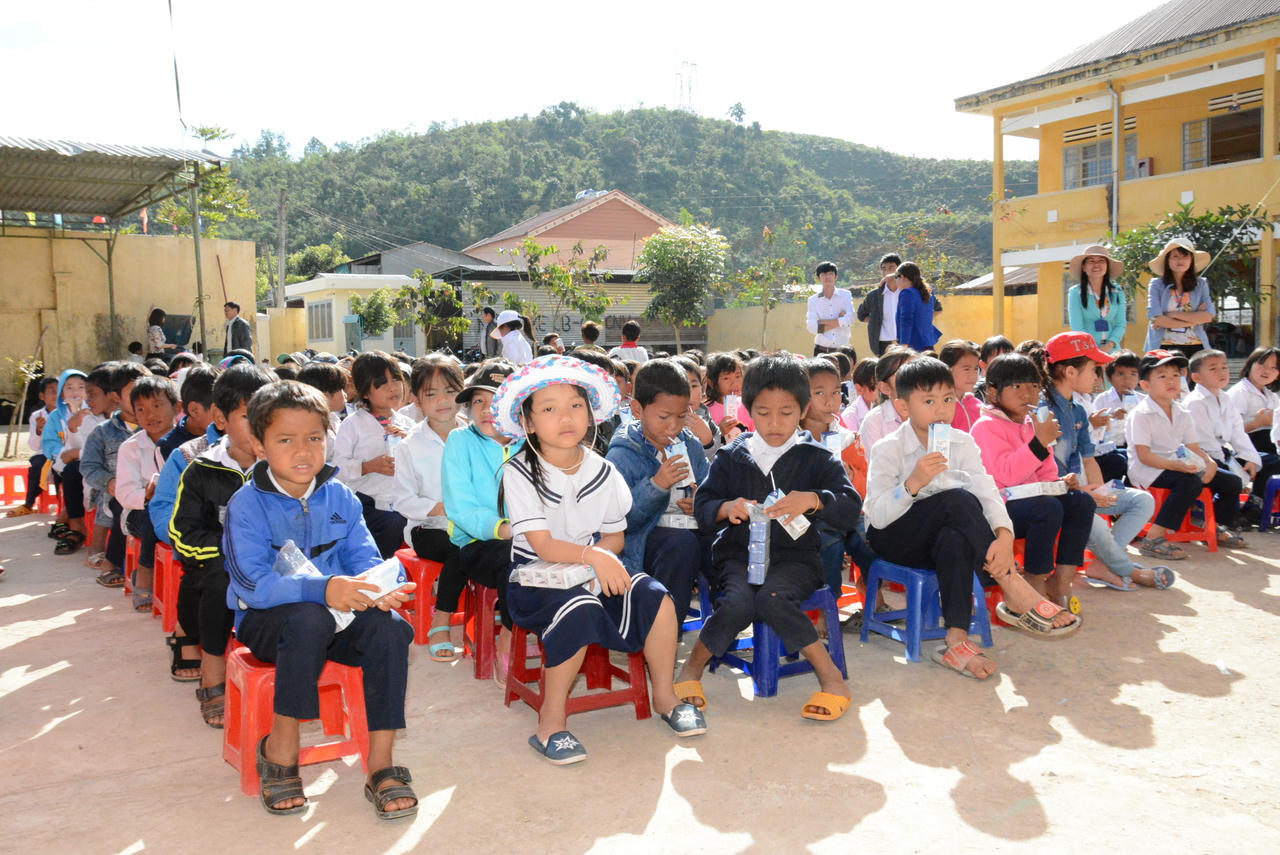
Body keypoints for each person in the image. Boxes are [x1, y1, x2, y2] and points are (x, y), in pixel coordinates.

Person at [496, 354, 706, 763]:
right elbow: (541, 546)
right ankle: (551, 723)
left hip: (593, 567)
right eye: (550, 409)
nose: (566, 417)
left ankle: (664, 697)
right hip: (535, 581)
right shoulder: (518, 471)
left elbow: (615, 535)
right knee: (577, 608)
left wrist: (599, 559)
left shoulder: (602, 469)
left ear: (591, 413)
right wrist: (596, 557)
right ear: (528, 421)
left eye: (576, 405)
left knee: (657, 599)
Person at [224, 380, 417, 818]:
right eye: (286, 440)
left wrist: (381, 586)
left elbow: (367, 557)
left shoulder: (340, 496)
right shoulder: (246, 504)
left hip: (339, 614)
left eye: (315, 438)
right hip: (268, 622)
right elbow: (252, 584)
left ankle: (381, 765)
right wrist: (324, 589)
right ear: (259, 444)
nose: (304, 451)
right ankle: (281, 749)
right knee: (309, 618)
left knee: (389, 629)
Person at [864, 357, 1081, 679]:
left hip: (938, 539)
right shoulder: (888, 448)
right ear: (903, 407)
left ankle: (956, 640)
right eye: (928, 401)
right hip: (894, 538)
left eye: (948, 399)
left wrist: (1005, 536)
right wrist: (913, 483)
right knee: (955, 499)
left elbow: (986, 491)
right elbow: (877, 518)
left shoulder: (961, 442)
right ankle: (1013, 586)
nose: (940, 409)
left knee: (955, 534)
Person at [671, 354, 857, 719]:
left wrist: (815, 500)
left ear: (803, 409)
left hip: (797, 559)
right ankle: (691, 669)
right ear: (747, 410)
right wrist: (727, 508)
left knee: (773, 598)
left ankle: (832, 678)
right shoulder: (732, 456)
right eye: (763, 412)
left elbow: (850, 506)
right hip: (739, 556)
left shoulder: (817, 458)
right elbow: (704, 503)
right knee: (739, 601)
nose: (775, 423)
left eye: (786, 412)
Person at [170, 364, 273, 724]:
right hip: (214, 576)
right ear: (220, 417)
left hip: (272, 573)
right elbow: (184, 535)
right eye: (249, 416)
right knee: (220, 575)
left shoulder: (284, 466)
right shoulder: (201, 470)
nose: (262, 426)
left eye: (268, 416)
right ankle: (212, 667)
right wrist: (235, 550)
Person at [1030, 339, 1165, 592]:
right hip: (1056, 494)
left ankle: (1103, 564)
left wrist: (1100, 492)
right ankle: (1128, 569)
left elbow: (1089, 457)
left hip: (1080, 491)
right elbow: (1044, 471)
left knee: (1142, 501)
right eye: (1094, 369)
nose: (1097, 377)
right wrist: (1085, 494)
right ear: (1070, 372)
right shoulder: (1042, 410)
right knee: (1094, 520)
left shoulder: (1078, 410)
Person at [970, 353, 1097, 607]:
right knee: (1047, 508)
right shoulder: (986, 426)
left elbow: (1045, 473)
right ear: (994, 393)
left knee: (1081, 501)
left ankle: (1061, 580)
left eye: (1034, 386)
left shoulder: (1032, 423)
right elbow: (1006, 475)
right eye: (1017, 386)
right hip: (999, 509)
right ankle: (1034, 581)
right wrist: (1039, 442)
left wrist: (1062, 482)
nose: (1028, 394)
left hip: (1030, 501)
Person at [606, 359, 712, 624]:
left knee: (727, 544)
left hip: (689, 530)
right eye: (664, 417)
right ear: (638, 409)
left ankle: (723, 623)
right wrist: (657, 485)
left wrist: (702, 502)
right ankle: (661, 634)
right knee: (680, 545)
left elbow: (712, 489)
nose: (674, 426)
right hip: (641, 542)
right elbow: (618, 523)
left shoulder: (691, 444)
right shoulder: (623, 453)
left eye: (681, 416)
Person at [438, 360, 522, 681]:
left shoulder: (529, 442)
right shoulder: (461, 441)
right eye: (479, 402)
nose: (487, 410)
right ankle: (509, 638)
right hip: (476, 543)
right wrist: (501, 528)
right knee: (513, 557)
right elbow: (460, 506)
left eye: (497, 401)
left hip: (530, 537)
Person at [1126, 350, 1246, 557]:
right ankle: (1154, 537)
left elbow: (1194, 448)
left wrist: (1209, 463)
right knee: (1189, 482)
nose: (1171, 381)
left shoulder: (1182, 412)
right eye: (1162, 376)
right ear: (1145, 385)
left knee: (1232, 482)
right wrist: (1177, 466)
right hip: (1148, 469)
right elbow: (1144, 456)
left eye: (1175, 375)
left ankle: (1215, 526)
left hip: (1177, 464)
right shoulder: (1140, 414)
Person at [390, 356, 465, 662]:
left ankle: (505, 621)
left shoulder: (476, 436)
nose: (442, 400)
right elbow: (403, 501)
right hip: (428, 528)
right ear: (417, 400)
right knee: (462, 549)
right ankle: (441, 622)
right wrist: (440, 508)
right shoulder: (410, 445)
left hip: (475, 524)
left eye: (449, 390)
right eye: (431, 394)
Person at [800, 358, 877, 600]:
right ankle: (827, 604)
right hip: (809, 516)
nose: (830, 400)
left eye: (835, 392)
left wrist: (851, 476)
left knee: (871, 537)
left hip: (846, 512)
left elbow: (865, 484)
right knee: (829, 540)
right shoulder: (792, 440)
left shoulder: (845, 438)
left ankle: (871, 589)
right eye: (819, 392)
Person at [334, 352, 413, 558]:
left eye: (396, 379)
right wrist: (368, 467)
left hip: (404, 503)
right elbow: (338, 467)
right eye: (381, 383)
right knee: (390, 531)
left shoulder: (408, 425)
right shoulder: (352, 424)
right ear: (365, 392)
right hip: (368, 507)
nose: (392, 387)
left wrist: (410, 442)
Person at [115, 374, 180, 611]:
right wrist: (147, 496)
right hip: (139, 513)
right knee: (154, 515)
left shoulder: (187, 444)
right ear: (133, 414)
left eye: (157, 406)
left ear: (177, 407)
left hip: (179, 508)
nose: (150, 415)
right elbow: (124, 492)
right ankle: (144, 574)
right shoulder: (130, 448)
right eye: (141, 409)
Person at [80, 362, 148, 586]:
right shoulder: (103, 432)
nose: (141, 399)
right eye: (133, 393)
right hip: (116, 491)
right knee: (121, 504)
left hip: (151, 490)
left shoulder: (159, 426)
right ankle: (112, 562)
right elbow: (88, 466)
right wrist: (109, 481)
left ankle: (148, 568)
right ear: (116, 397)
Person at [1187, 349, 1280, 506]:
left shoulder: (1225, 398)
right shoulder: (1198, 401)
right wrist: (1258, 423)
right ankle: (1232, 517)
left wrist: (1250, 458)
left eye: (1224, 367)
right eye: (1213, 368)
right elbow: (1206, 441)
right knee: (1233, 481)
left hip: (1229, 451)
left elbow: (1237, 432)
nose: (1221, 372)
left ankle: (1256, 506)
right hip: (1205, 455)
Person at [1144, 238, 1214, 358]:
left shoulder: (1201, 284)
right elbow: (1156, 318)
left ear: (1191, 260)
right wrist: (1195, 318)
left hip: (1196, 346)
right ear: (1167, 260)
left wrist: (1172, 315)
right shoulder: (1156, 284)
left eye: (1185, 256)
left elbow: (1208, 316)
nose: (1180, 260)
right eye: (1175, 256)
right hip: (1163, 347)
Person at [6, 377, 59, 518]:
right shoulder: (37, 416)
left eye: (59, 391)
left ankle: (64, 505)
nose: (56, 395)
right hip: (45, 453)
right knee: (37, 466)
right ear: (42, 396)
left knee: (65, 469)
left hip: (63, 453)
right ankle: (29, 504)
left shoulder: (69, 413)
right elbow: (34, 446)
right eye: (52, 391)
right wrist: (39, 432)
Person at [1066, 245, 1127, 354]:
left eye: (1101, 260)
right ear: (1083, 267)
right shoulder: (1075, 293)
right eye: (1091, 261)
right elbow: (1077, 327)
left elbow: (1120, 324)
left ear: (1107, 266)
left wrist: (1110, 345)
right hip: (1087, 351)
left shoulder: (1117, 291)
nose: (1096, 265)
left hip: (1112, 351)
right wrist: (1094, 350)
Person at [857, 345, 916, 450]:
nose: (913, 379)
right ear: (884, 388)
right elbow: (872, 464)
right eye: (903, 374)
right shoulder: (874, 422)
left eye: (916, 372)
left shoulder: (930, 411)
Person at [1228, 346, 1280, 456]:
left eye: (1274, 368)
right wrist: (1257, 423)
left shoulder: (1272, 395)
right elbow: (1228, 430)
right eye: (1262, 364)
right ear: (1250, 365)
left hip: (1271, 445)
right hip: (1250, 448)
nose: (1267, 371)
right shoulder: (1239, 392)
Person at [856, 253, 903, 356]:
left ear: (899, 269)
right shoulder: (874, 295)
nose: (887, 272)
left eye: (891, 268)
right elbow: (861, 315)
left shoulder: (908, 292)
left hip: (906, 342)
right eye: (884, 269)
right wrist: (875, 322)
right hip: (883, 344)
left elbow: (935, 308)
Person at [806, 261, 856, 356]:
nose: (827, 277)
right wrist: (839, 321)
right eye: (824, 274)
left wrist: (821, 322)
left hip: (843, 350)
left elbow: (850, 320)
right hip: (821, 349)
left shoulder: (846, 295)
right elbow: (812, 327)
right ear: (818, 278)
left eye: (831, 274)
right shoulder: (813, 300)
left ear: (836, 277)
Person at [894, 262, 942, 351]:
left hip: (913, 346)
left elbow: (906, 319)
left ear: (902, 277)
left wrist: (903, 345)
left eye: (895, 277)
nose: (895, 281)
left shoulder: (907, 293)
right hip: (928, 344)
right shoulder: (927, 292)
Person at [939, 340, 982, 431]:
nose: (973, 375)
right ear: (947, 370)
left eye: (975, 369)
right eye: (966, 369)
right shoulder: (940, 407)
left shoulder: (978, 405)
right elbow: (939, 443)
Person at [840, 357, 878, 432]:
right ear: (859, 388)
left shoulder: (882, 408)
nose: (880, 390)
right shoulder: (850, 417)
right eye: (874, 386)